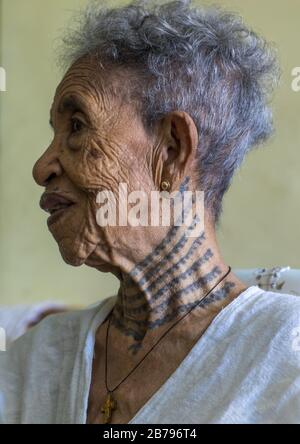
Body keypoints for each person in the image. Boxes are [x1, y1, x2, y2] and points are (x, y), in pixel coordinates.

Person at [1, 0, 299, 424]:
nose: (42, 167)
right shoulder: (35, 360)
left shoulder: (285, 358)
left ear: (172, 149)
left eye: (78, 127)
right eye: (56, 132)